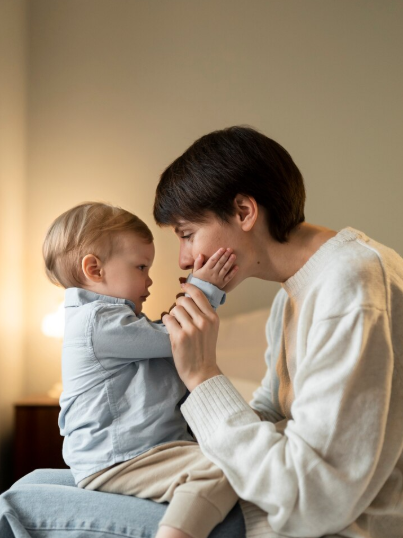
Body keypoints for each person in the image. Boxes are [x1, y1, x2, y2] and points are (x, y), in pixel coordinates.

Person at [153, 126, 403, 538]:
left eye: (186, 234)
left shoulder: (352, 286)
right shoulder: (291, 296)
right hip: (270, 510)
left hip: (331, 529)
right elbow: (269, 418)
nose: (184, 259)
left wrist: (202, 376)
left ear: (244, 211)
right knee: (40, 482)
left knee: (24, 503)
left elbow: (315, 499)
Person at [41, 201, 239, 538]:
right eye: (141, 267)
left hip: (143, 452)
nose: (149, 280)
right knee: (225, 468)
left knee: (238, 454)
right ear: (94, 269)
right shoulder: (95, 322)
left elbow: (166, 337)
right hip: (118, 458)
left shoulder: (115, 322)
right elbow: (176, 338)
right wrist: (204, 290)